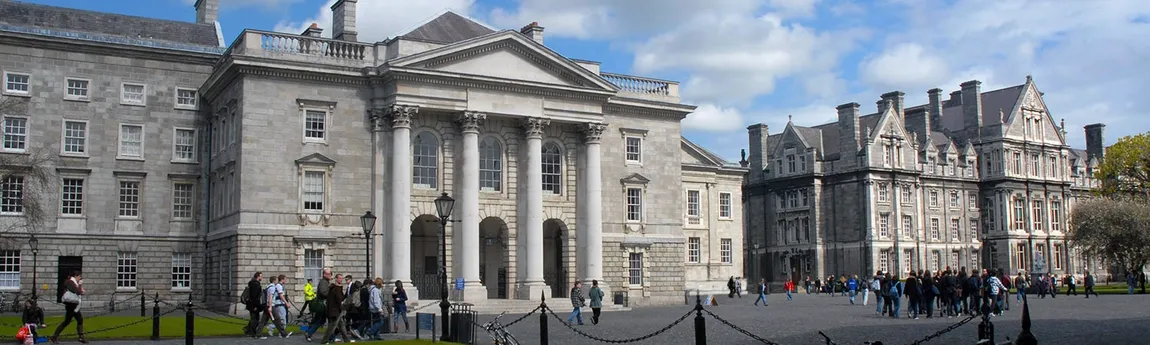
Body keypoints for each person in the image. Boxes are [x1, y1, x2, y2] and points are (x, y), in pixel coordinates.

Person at [50, 270, 86, 344]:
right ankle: (54, 337)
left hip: (74, 304)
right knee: (67, 321)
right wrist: (80, 285)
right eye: (79, 276)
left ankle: (81, 337)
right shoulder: (70, 282)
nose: (80, 278)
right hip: (71, 305)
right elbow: (78, 292)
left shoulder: (73, 283)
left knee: (79, 320)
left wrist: (79, 287)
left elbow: (79, 291)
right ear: (75, 276)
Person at [321, 274, 350, 344]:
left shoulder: (335, 288)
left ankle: (346, 340)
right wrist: (344, 306)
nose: (341, 280)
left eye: (342, 278)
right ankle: (324, 341)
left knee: (341, 325)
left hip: (337, 310)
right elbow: (339, 300)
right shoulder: (335, 288)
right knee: (331, 327)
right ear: (336, 279)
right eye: (340, 278)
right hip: (335, 311)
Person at [305, 269, 332, 341]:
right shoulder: (323, 282)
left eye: (331, 274)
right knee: (331, 321)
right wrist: (332, 294)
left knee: (321, 320)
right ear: (324, 275)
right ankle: (331, 337)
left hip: (323, 305)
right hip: (322, 305)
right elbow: (323, 292)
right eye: (329, 274)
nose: (330, 275)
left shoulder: (326, 282)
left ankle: (309, 333)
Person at [244, 272, 266, 338]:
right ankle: (253, 333)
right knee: (255, 319)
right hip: (254, 305)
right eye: (261, 276)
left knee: (253, 319)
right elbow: (254, 296)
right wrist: (255, 306)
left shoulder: (253, 283)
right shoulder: (255, 284)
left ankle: (248, 330)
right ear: (258, 276)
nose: (262, 277)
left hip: (252, 304)